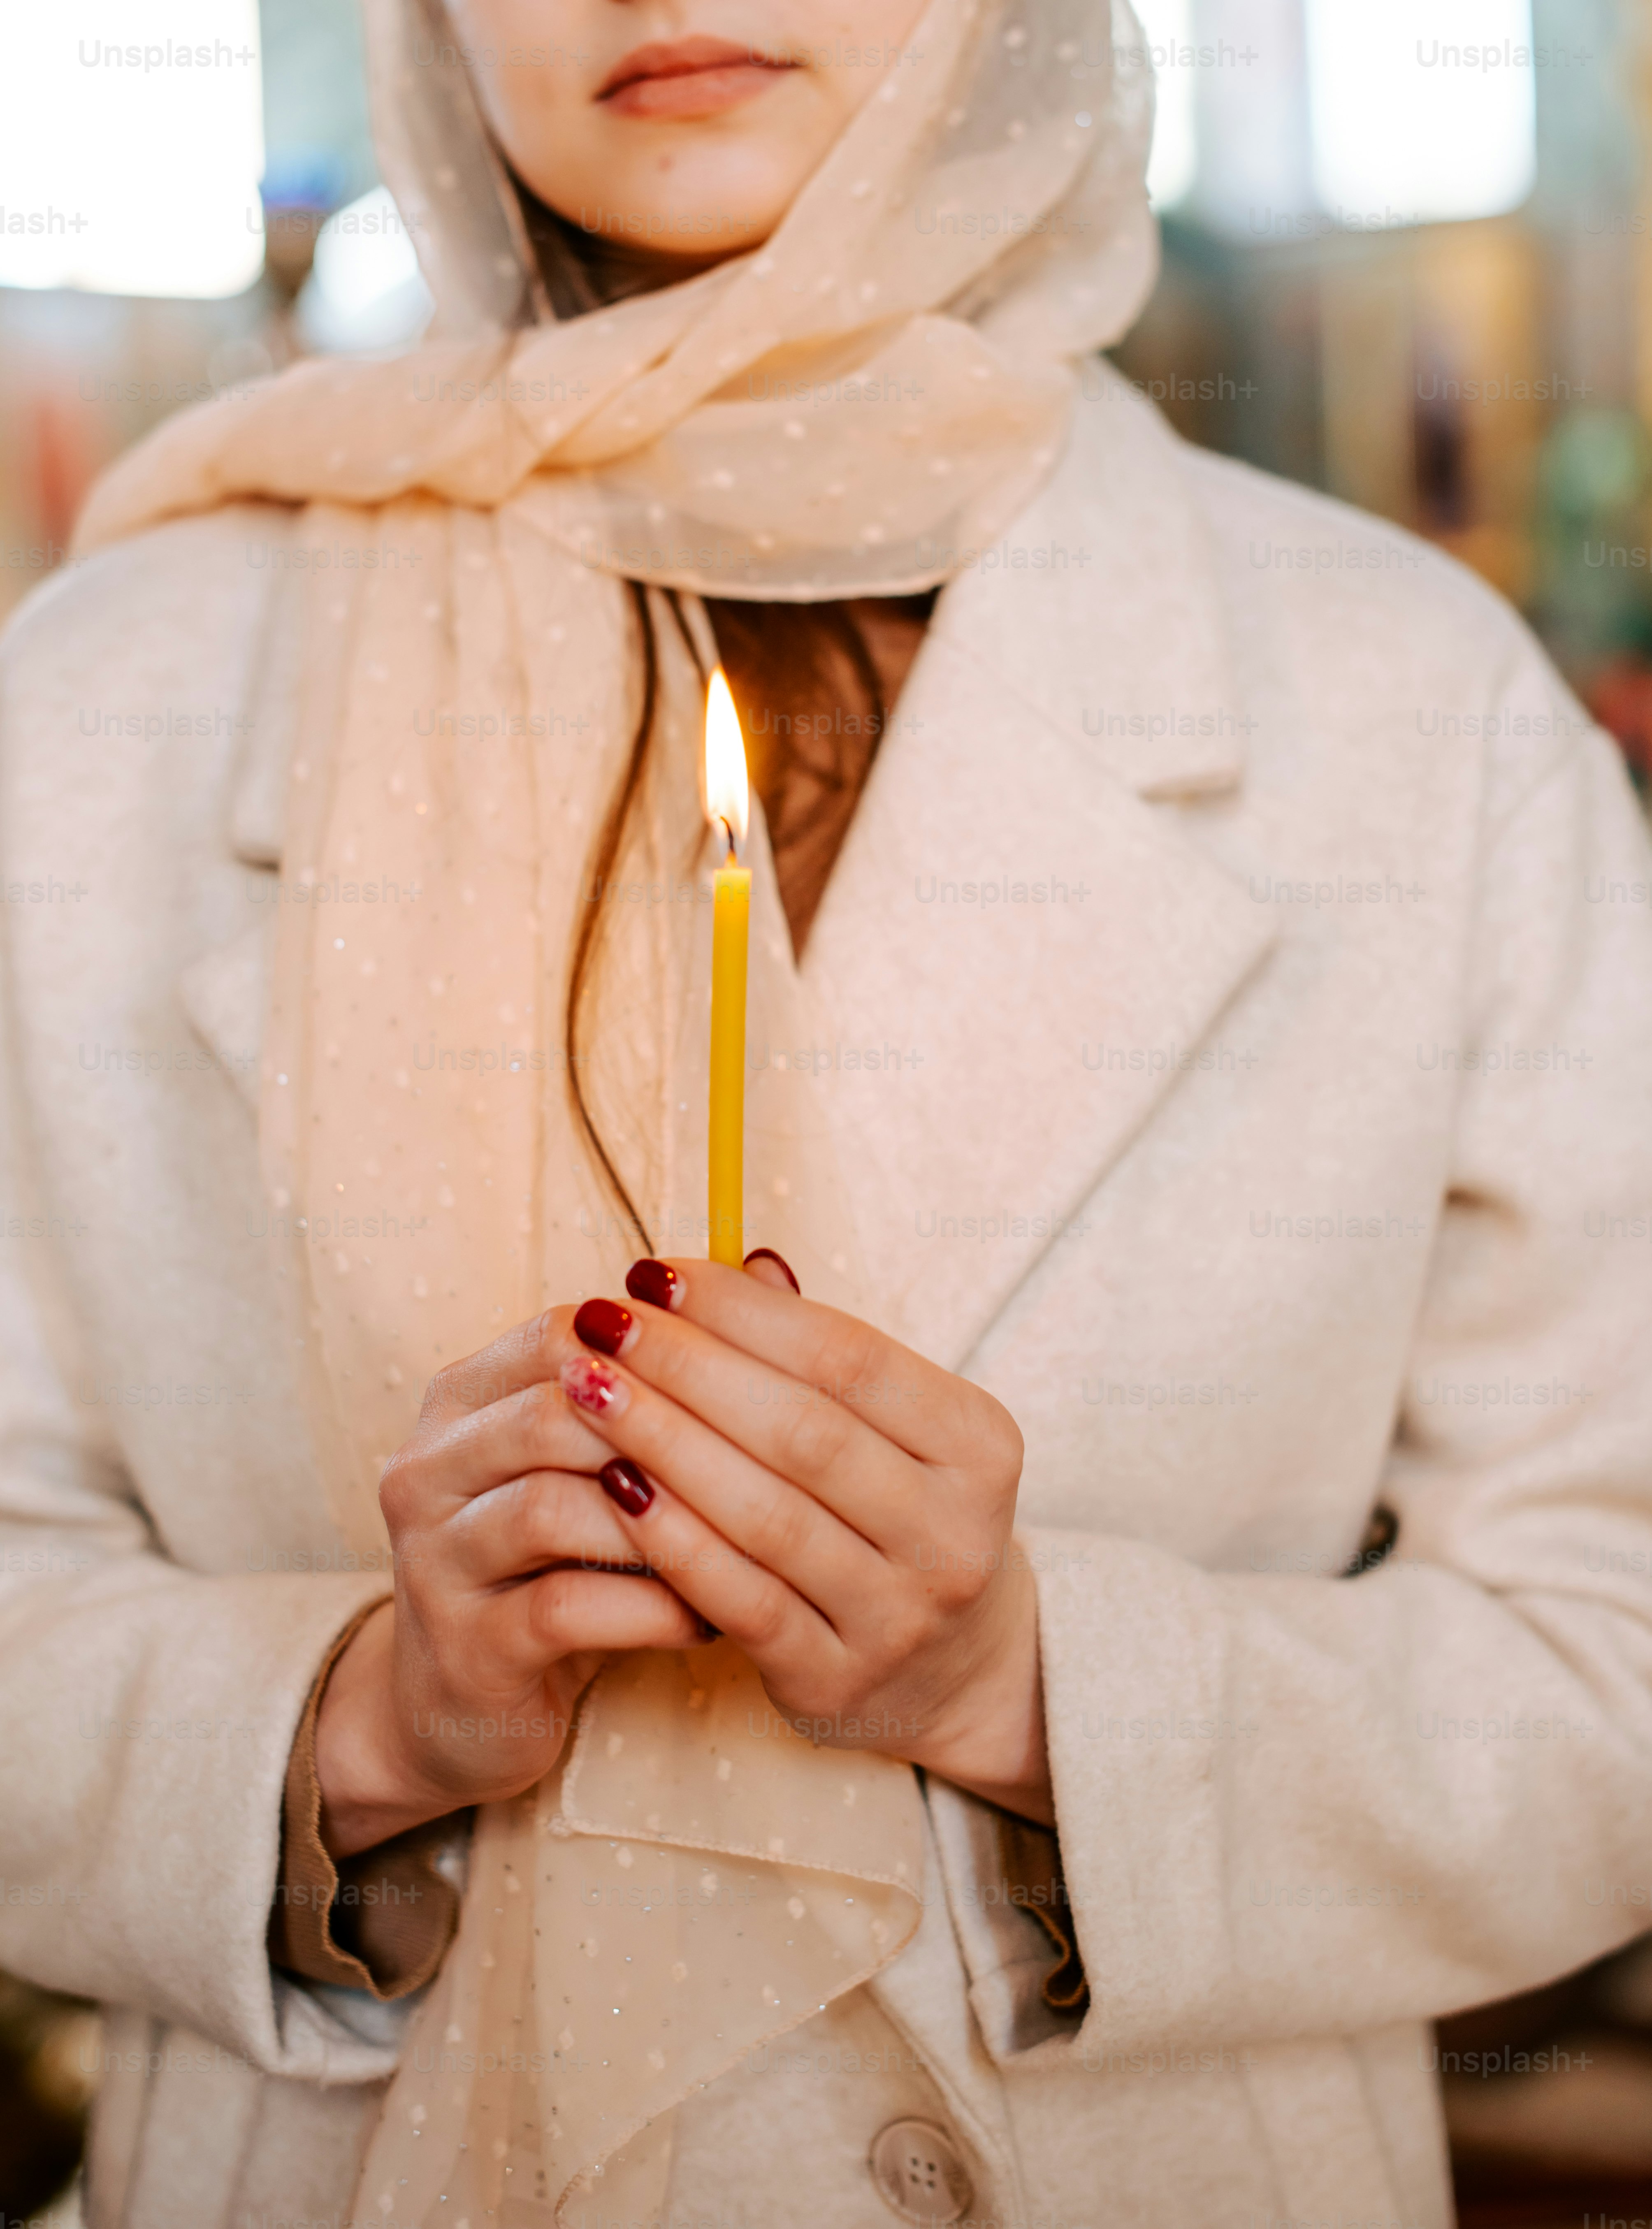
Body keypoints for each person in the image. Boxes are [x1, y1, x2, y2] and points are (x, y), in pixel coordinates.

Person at [2, 1, 1650, 2224]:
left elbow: (1611, 1639)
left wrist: (1040, 1686)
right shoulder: (107, 703)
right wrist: (363, 1724)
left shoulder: (1405, 708)